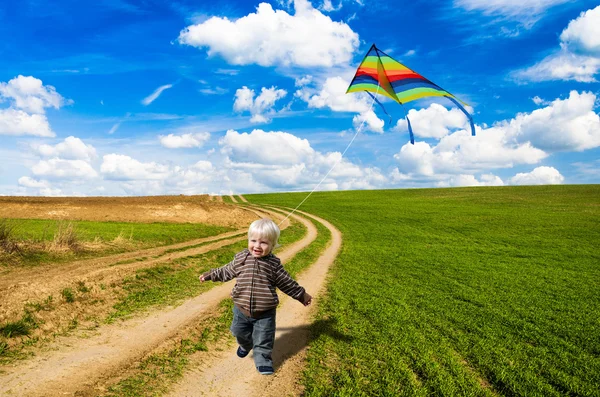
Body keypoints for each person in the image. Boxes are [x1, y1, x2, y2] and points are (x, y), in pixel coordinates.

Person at [199, 218, 312, 375]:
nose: (257, 246)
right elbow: (227, 270)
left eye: (264, 243)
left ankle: (263, 360)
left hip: (265, 313)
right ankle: (245, 345)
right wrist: (211, 275)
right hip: (241, 308)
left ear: (273, 245)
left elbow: (287, 282)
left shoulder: (273, 265)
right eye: (253, 241)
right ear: (248, 240)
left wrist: (301, 295)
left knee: (264, 338)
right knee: (237, 331)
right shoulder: (242, 258)